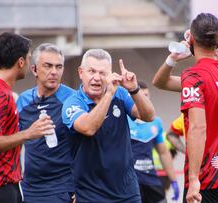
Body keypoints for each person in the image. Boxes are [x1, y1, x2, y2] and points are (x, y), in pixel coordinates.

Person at [153, 13, 218, 203]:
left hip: (208, 177)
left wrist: (194, 178)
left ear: (191, 39)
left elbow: (198, 128)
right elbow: (160, 82)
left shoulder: (195, 76)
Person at [0, 32, 55, 203]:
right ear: (20, 62)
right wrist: (28, 133)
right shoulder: (0, 94)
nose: (29, 64)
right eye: (29, 58)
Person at [62, 49, 155, 202]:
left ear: (110, 75)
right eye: (91, 71)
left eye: (103, 73)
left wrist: (133, 89)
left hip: (127, 191)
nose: (97, 78)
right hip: (91, 193)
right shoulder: (73, 103)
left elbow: (148, 116)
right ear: (81, 72)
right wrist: (108, 95)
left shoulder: (121, 94)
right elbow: (88, 128)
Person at [16, 43, 75, 202]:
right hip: (29, 188)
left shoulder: (73, 100)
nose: (54, 72)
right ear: (34, 69)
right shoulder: (23, 100)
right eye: (48, 66)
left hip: (62, 188)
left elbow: (88, 145)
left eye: (59, 67)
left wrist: (81, 186)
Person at [128, 81, 179, 203]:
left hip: (151, 180)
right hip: (129, 182)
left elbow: (164, 153)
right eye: (142, 96)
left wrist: (174, 181)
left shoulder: (156, 122)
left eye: (147, 96)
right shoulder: (122, 120)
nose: (145, 99)